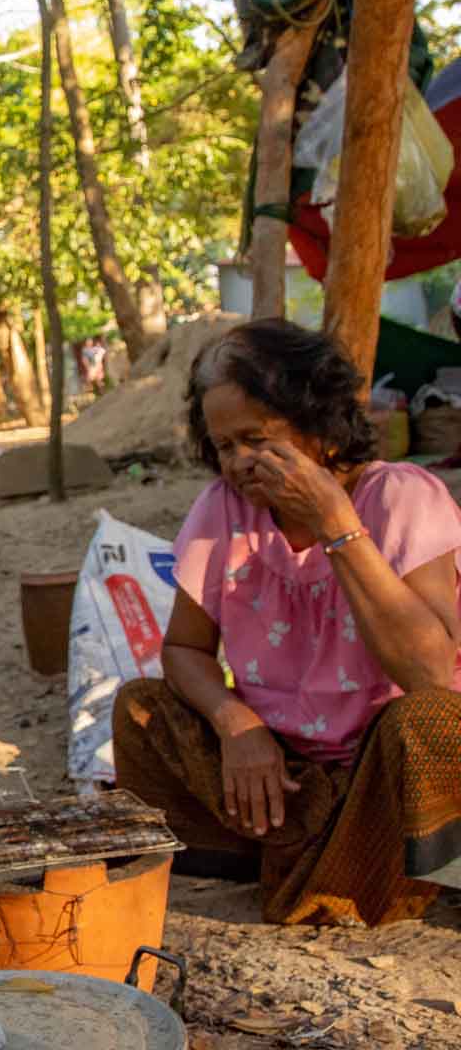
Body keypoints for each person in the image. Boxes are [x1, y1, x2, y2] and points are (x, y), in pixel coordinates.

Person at [114, 318, 461, 927]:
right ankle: (297, 848)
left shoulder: (402, 497)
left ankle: (358, 865)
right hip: (279, 769)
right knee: (141, 708)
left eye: (256, 439)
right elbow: (184, 650)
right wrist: (236, 724)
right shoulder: (224, 508)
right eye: (225, 447)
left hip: (380, 773)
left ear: (318, 425)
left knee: (430, 722)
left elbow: (430, 673)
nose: (239, 463)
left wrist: (336, 526)